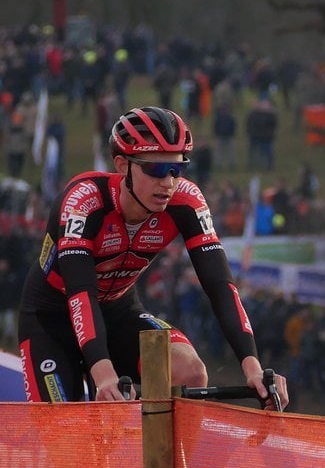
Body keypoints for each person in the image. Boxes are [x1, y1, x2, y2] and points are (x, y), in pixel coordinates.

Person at [18, 106, 288, 407]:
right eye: (156, 169)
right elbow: (81, 294)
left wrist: (252, 365)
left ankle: (173, 455)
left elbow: (221, 286)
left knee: (190, 372)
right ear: (122, 165)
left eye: (177, 169)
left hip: (119, 312)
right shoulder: (84, 201)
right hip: (53, 319)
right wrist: (102, 371)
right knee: (64, 439)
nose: (168, 182)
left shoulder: (187, 201)